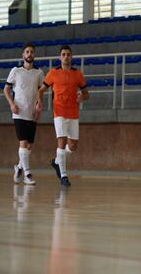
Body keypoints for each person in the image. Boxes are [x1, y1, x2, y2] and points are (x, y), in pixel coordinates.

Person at [37, 45, 89, 187]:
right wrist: (39, 102)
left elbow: (86, 93)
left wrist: (82, 97)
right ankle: (64, 176)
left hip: (73, 112)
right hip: (59, 111)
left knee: (73, 146)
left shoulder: (77, 74)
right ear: (60, 57)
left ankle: (56, 161)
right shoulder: (53, 73)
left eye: (68, 54)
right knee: (61, 140)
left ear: (71, 57)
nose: (66, 57)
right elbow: (41, 90)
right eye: (64, 54)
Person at [4, 43, 44, 185]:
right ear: (23, 55)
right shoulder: (16, 71)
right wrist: (12, 104)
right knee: (23, 143)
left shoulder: (39, 73)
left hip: (32, 113)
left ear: (34, 54)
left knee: (29, 146)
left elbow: (40, 91)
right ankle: (27, 174)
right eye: (27, 52)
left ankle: (19, 167)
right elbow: (6, 90)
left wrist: (39, 105)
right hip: (19, 112)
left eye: (32, 52)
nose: (29, 54)